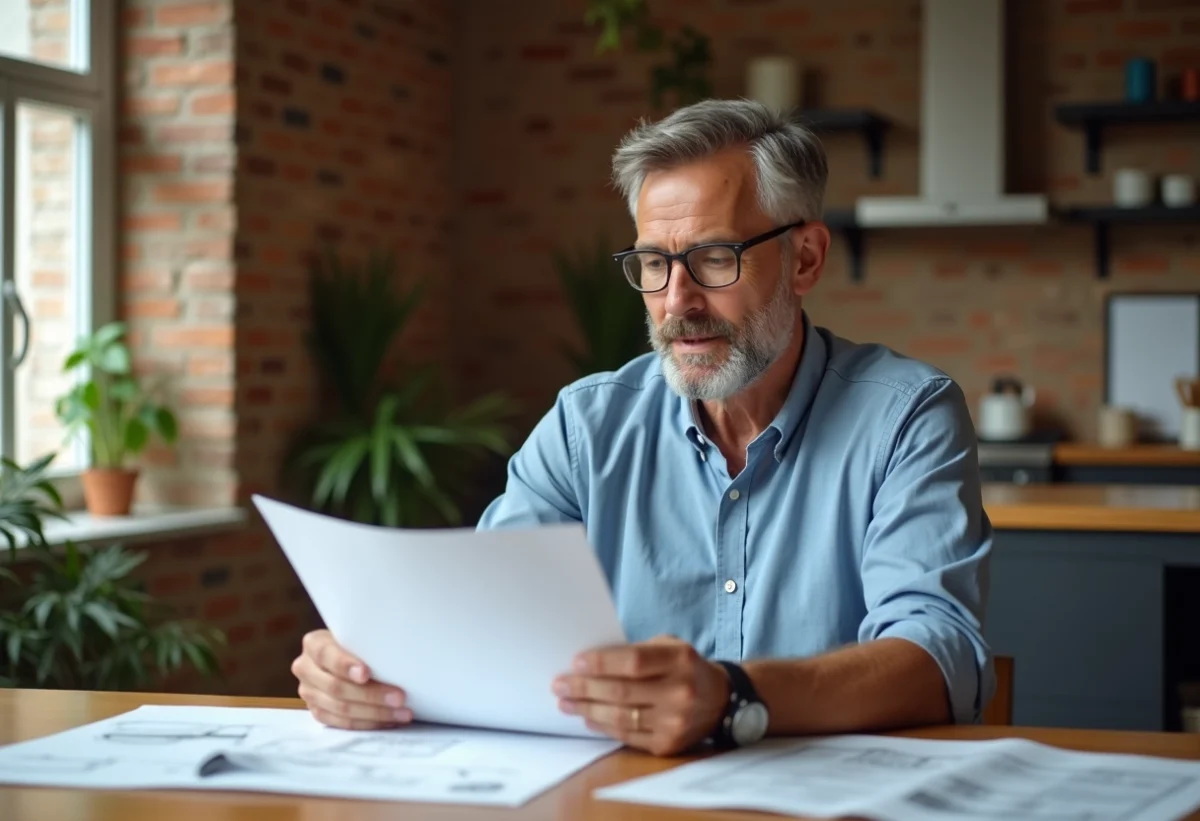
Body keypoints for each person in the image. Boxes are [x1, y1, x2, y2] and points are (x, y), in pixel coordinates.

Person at [291, 99, 994, 757]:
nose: (677, 301)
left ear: (804, 258)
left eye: (714, 258)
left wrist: (735, 696)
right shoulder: (586, 426)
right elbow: (483, 619)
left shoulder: (906, 416)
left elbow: (941, 656)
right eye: (655, 263)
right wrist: (364, 667)